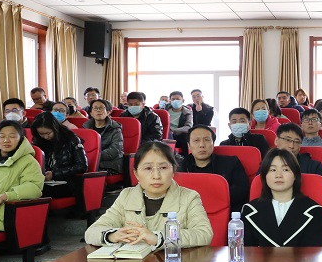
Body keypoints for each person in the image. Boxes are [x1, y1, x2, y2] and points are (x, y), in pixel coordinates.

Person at [85, 141, 213, 248]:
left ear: (173, 170)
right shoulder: (126, 196)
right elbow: (91, 232)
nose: (156, 176)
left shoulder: (189, 197)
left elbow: (204, 234)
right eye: (148, 168)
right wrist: (112, 235)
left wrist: (158, 238)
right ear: (136, 173)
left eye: (163, 168)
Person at [241, 148, 322, 247]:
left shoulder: (314, 211)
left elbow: (312, 253)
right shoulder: (249, 210)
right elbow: (246, 253)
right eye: (273, 170)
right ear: (265, 176)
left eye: (285, 169)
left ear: (295, 175)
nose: (278, 175)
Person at [0, 121, 44, 236]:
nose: (6, 140)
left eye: (12, 136)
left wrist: (3, 197)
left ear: (21, 139)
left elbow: (34, 188)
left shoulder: (28, 161)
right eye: (2, 136)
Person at [180, 125, 249, 212]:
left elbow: (241, 192)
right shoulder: (180, 167)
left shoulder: (231, 163)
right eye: (196, 140)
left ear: (213, 143)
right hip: (188, 214)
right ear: (189, 145)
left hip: (225, 213)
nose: (202, 145)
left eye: (206, 140)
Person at [31, 112, 88, 198]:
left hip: (67, 182)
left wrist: (54, 174)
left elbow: (82, 166)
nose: (45, 137)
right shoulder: (38, 141)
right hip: (44, 181)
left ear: (55, 128)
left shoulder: (71, 139)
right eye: (41, 134)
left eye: (48, 133)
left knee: (37, 192)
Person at [274, 123, 322, 193]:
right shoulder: (267, 164)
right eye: (287, 140)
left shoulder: (314, 167)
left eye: (297, 142)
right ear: (276, 141)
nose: (291, 146)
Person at [83, 99, 123, 176]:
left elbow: (115, 150)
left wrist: (94, 156)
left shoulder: (115, 129)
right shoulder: (86, 128)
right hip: (90, 162)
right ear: (91, 113)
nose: (98, 110)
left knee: (91, 174)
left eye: (101, 108)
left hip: (111, 164)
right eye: (95, 108)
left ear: (108, 112)